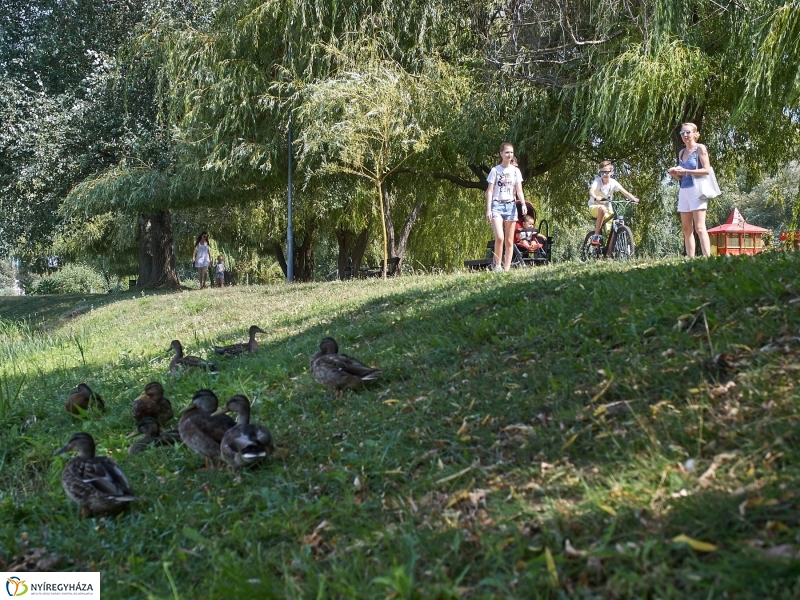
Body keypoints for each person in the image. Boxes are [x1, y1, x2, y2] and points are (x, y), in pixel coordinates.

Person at [667, 123, 712, 257]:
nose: (685, 135)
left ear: (694, 134)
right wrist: (676, 175)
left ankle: (707, 257)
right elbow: (682, 178)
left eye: (687, 132)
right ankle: (690, 258)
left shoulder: (700, 148)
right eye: (682, 133)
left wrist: (686, 171)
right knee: (687, 229)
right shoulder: (681, 152)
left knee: (699, 227)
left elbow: (706, 170)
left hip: (697, 190)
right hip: (684, 190)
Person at [486, 142, 526, 271]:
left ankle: (507, 269)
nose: (509, 155)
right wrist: (488, 209)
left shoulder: (516, 171)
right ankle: (497, 265)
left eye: (511, 152)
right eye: (507, 152)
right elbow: (490, 191)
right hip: (497, 205)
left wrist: (523, 204)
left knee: (509, 241)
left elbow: (519, 190)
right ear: (501, 153)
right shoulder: (495, 170)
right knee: (500, 237)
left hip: (511, 206)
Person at [587, 161, 639, 245]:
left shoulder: (613, 182)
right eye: (602, 172)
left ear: (611, 172)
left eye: (606, 172)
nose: (604, 174)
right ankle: (596, 236)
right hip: (594, 206)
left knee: (612, 232)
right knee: (602, 209)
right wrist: (595, 197)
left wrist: (633, 199)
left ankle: (610, 255)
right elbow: (591, 191)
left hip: (608, 209)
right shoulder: (597, 181)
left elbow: (625, 193)